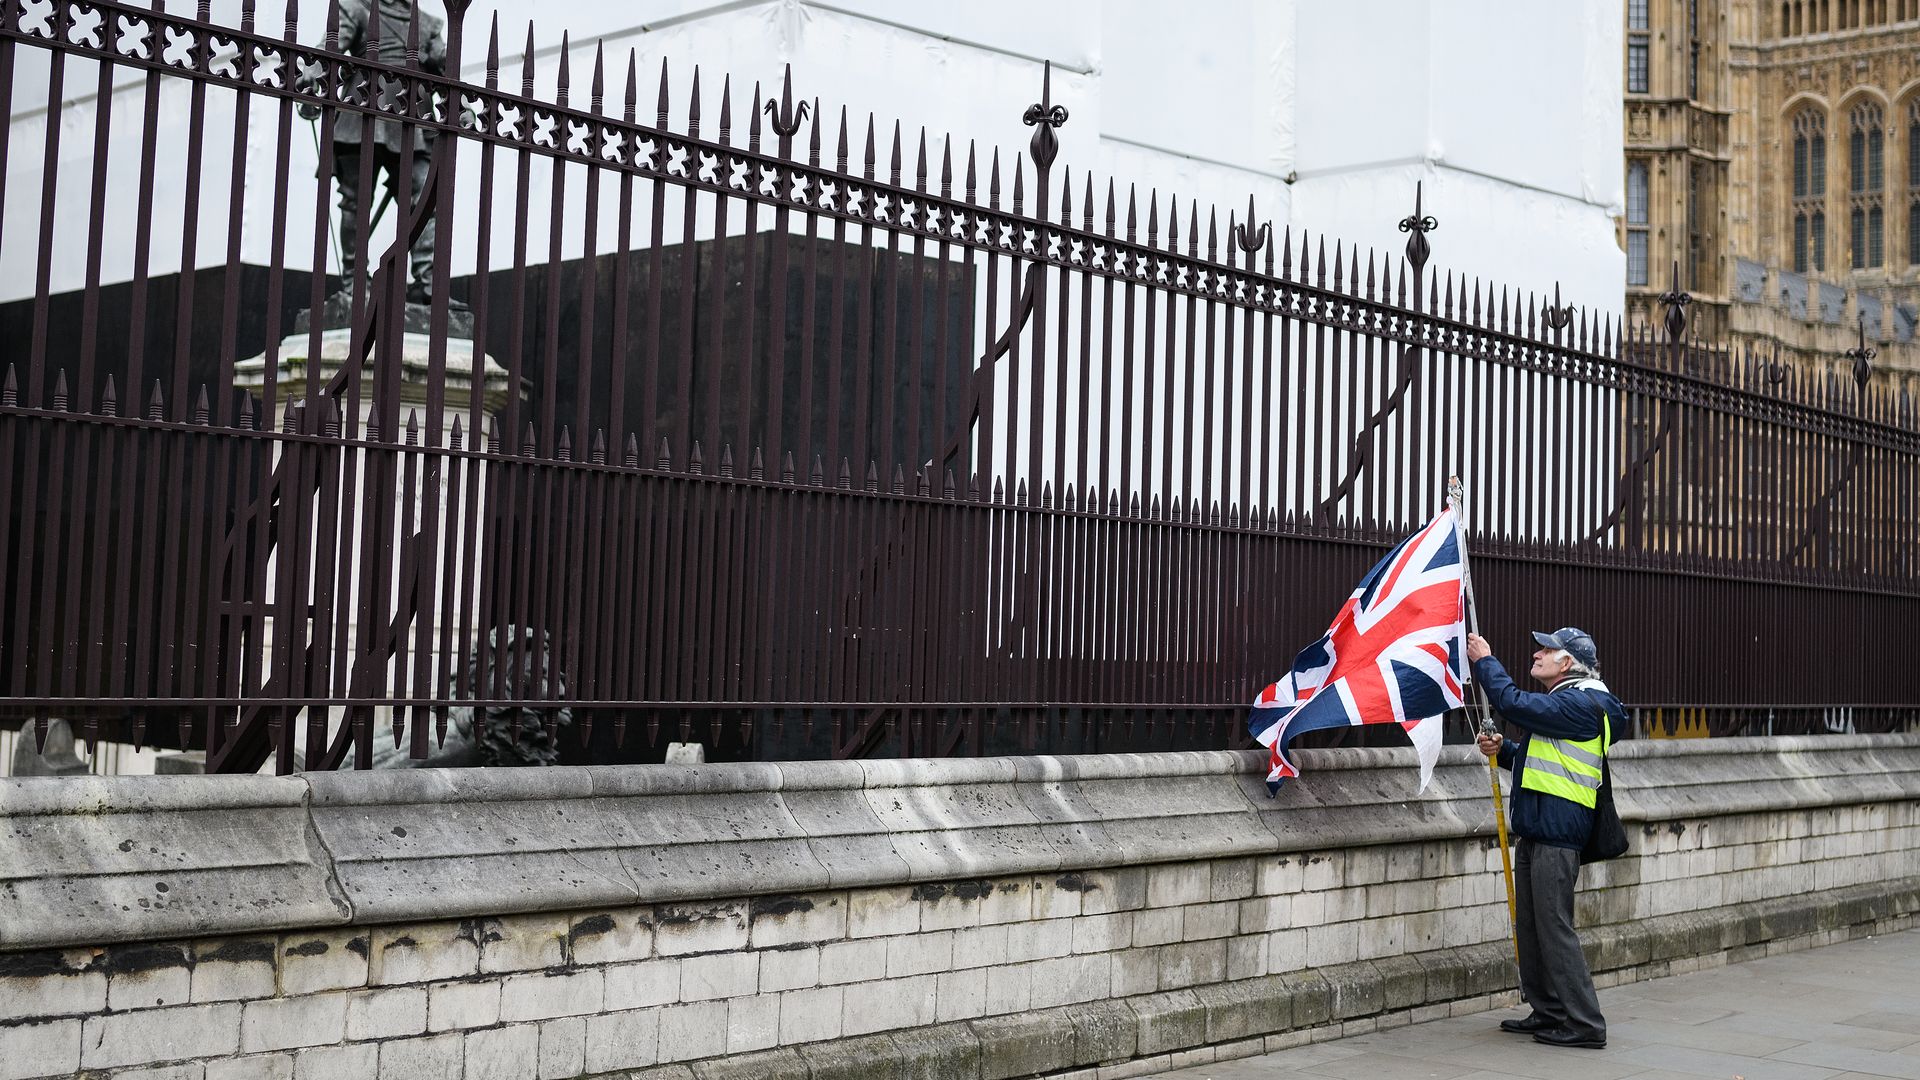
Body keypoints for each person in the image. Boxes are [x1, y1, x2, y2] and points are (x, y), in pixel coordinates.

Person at [1467, 626, 1625, 1050]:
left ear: (1568, 662)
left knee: (1554, 926)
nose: (1537, 653)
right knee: (1531, 926)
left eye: (1547, 649)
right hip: (1537, 824)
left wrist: (1484, 661)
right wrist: (1503, 751)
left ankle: (1586, 1024)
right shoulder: (1564, 703)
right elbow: (1539, 760)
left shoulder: (1584, 702)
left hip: (1559, 829)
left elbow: (1512, 702)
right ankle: (1549, 1010)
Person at [301, 0, 449, 305]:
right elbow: (331, 46)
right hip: (363, 113)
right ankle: (355, 283)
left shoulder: (430, 23)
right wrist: (311, 75)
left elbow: (446, 74)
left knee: (424, 200)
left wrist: (462, 108)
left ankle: (428, 284)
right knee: (356, 202)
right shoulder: (356, 9)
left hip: (412, 118)